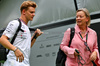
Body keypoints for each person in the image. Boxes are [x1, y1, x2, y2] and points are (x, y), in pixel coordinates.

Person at [0, 1, 43, 66]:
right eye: (31, 12)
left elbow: (27, 47)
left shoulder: (26, 28)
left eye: (34, 12)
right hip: (13, 62)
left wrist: (35, 36)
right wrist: (15, 49)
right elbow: (2, 39)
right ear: (24, 12)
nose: (34, 14)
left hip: (24, 63)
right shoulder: (15, 23)